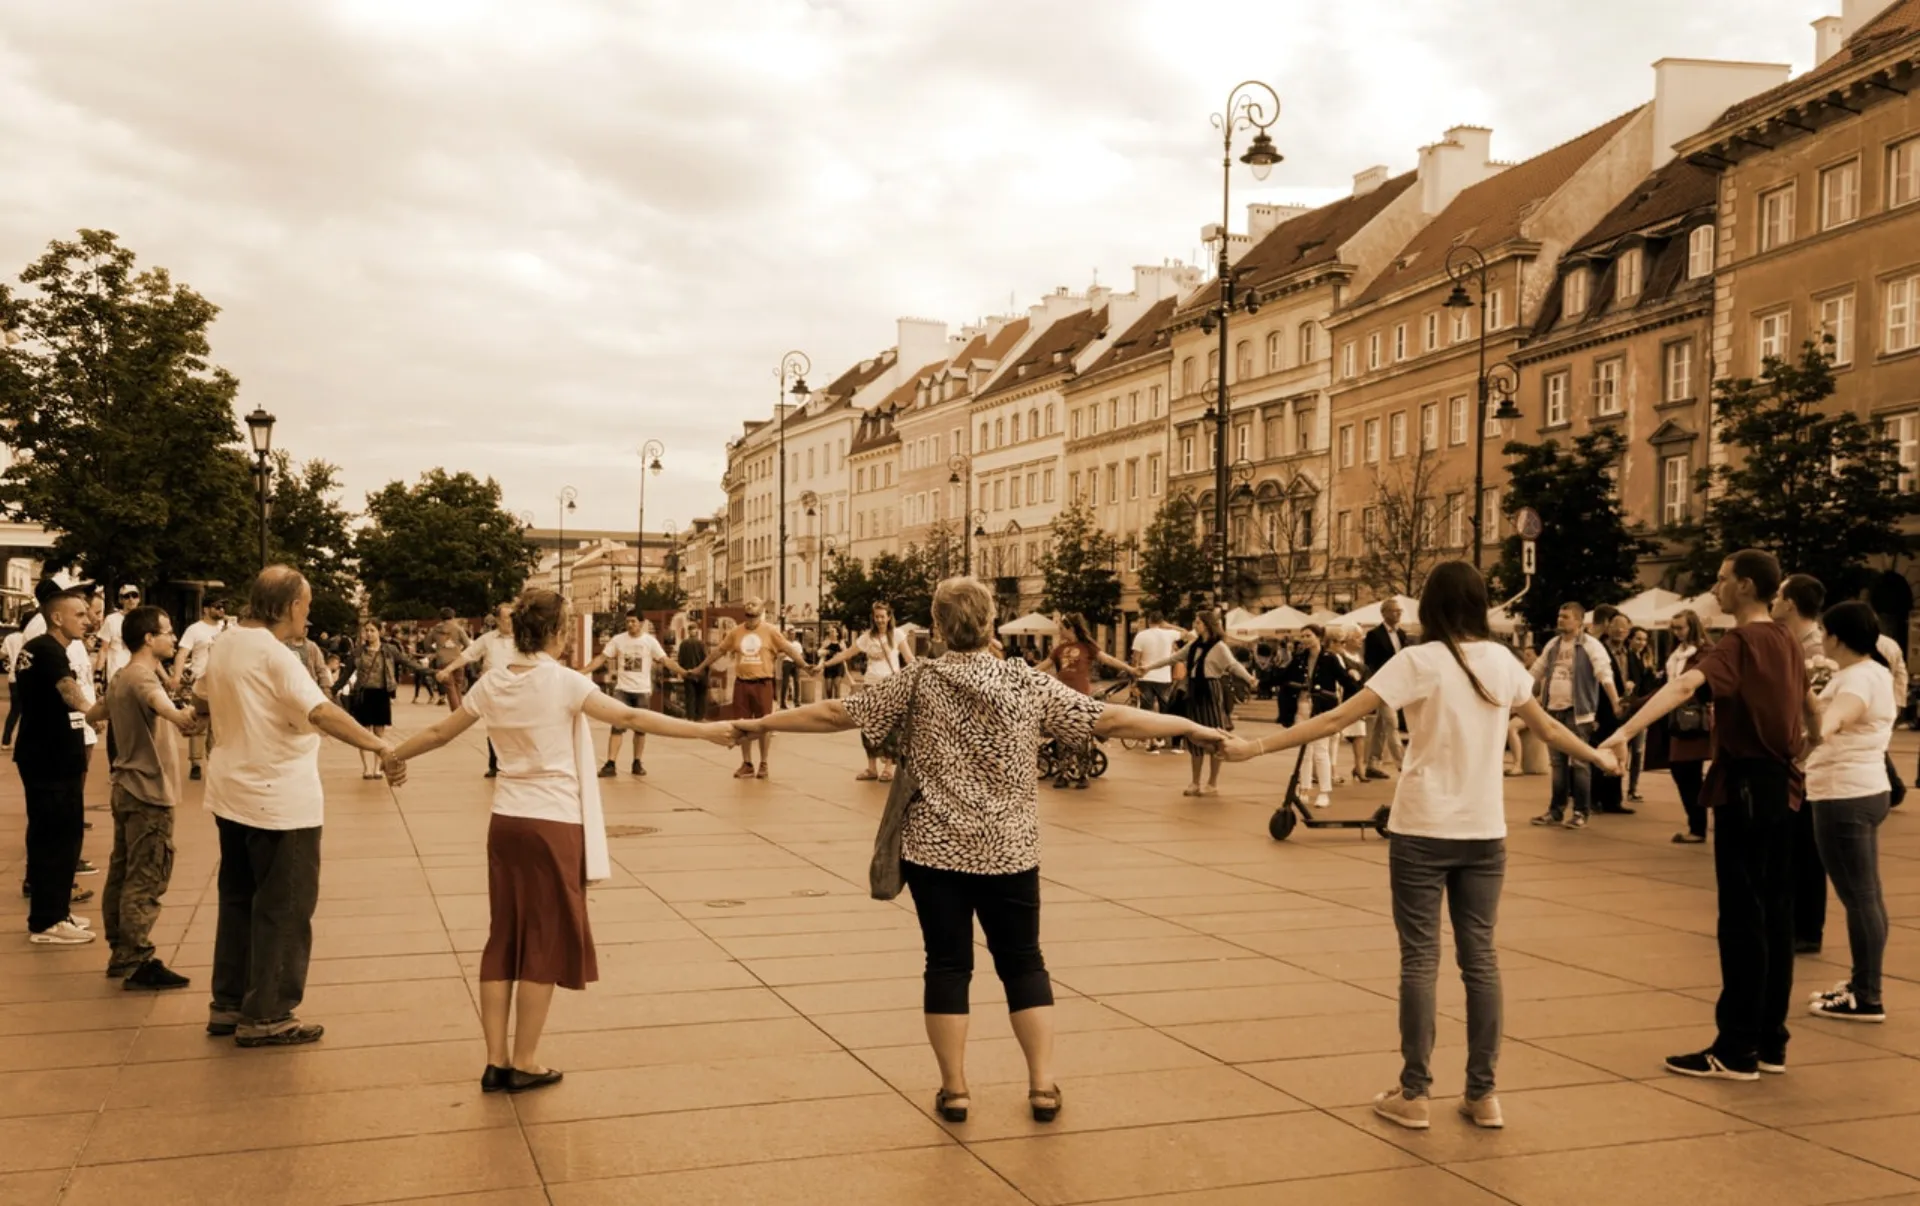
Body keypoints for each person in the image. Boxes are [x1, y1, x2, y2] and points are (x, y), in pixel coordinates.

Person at [732, 576, 1227, 1124]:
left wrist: (757, 722)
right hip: (1009, 849)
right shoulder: (1024, 683)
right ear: (990, 624)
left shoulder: (918, 680)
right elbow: (1107, 719)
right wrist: (1193, 728)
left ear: (939, 628)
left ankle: (956, 1089)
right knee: (1024, 963)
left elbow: (834, 714)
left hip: (934, 850)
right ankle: (1041, 1085)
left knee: (947, 965)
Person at [1224, 561, 1617, 1130]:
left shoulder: (1418, 661)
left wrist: (1255, 748)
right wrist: (1600, 756)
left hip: (1423, 829)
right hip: (1484, 832)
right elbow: (1552, 731)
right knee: (1480, 961)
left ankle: (1415, 1094)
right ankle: (1483, 1095)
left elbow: (1337, 717)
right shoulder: (1503, 661)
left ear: (1429, 605)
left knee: (1420, 959)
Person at [386, 588, 735, 1093]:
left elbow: (441, 732)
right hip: (552, 822)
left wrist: (396, 756)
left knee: (503, 935)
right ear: (556, 632)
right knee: (543, 939)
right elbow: (632, 717)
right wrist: (705, 733)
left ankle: (494, 1059)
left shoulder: (492, 684)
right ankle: (524, 1059)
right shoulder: (565, 683)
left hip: (505, 822)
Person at [1604, 550, 1807, 1080]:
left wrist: (1624, 732)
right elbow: (1810, 710)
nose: (1714, 589)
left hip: (1745, 786)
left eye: (1720, 580)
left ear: (1743, 586)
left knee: (1742, 919)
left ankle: (1736, 1048)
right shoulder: (1788, 639)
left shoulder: (1740, 642)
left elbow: (1684, 686)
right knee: (1775, 918)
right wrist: (1801, 750)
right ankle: (1770, 1043)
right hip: (1783, 787)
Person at [196, 567, 399, 1047]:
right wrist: (381, 747)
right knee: (285, 907)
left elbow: (202, 699)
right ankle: (268, 1013)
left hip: (231, 790)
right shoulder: (275, 655)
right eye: (306, 606)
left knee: (239, 900)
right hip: (279, 798)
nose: (308, 616)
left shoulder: (226, 643)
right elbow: (322, 712)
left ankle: (228, 1003)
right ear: (290, 607)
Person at [84, 605, 196, 986]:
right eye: (167, 631)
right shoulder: (143, 678)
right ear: (149, 638)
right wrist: (184, 715)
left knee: (122, 869)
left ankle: (121, 949)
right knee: (146, 875)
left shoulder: (120, 677)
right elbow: (162, 706)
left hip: (126, 788)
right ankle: (135, 958)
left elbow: (94, 713)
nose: (173, 637)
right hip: (149, 792)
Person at [1800, 601, 1894, 1024]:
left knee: (1859, 898)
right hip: (1864, 790)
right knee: (1867, 896)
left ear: (1836, 637)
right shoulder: (1871, 672)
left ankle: (1867, 995)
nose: (1820, 637)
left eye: (1823, 631)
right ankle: (1863, 983)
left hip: (1844, 797)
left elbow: (1831, 722)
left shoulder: (1857, 679)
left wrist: (1813, 710)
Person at [16, 591, 97, 945]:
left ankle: (57, 911)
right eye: (79, 614)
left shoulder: (39, 648)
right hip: (50, 759)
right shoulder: (48, 650)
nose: (88, 619)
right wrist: (101, 711)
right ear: (57, 619)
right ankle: (48, 921)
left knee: (51, 834)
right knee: (58, 839)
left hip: (46, 755)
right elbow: (69, 693)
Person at [684, 599, 811, 779]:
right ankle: (747, 763)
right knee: (742, 724)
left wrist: (805, 666)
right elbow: (718, 651)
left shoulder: (771, 631)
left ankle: (764, 763)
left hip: (763, 683)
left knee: (765, 725)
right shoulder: (736, 632)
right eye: (747, 604)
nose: (749, 606)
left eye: (753, 604)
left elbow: (789, 650)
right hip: (742, 683)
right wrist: (700, 668)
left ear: (761, 610)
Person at [1775, 573, 1833, 954]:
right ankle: (1798, 923)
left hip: (1811, 761)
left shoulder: (1816, 651)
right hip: (1798, 758)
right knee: (1795, 847)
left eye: (1779, 594)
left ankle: (1808, 929)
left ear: (1792, 603)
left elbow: (1817, 712)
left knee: (1807, 849)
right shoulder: (1794, 643)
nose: (1774, 600)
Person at [1138, 609, 1255, 797]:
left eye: (1198, 622)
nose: (1195, 624)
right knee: (1194, 737)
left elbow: (1233, 665)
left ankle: (1212, 783)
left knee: (1215, 736)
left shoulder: (1219, 646)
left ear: (1207, 625)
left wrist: (1249, 678)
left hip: (1210, 690)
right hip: (1193, 690)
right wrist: (1148, 668)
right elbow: (1172, 659)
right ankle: (1194, 782)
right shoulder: (1193, 646)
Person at [1528, 601, 1622, 830]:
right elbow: (1535, 672)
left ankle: (1581, 811)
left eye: (1566, 617)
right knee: (1558, 764)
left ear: (1580, 621)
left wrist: (1615, 702)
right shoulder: (1553, 644)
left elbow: (1604, 674)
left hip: (1579, 713)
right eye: (1560, 616)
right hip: (1554, 710)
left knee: (1580, 763)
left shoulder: (1591, 645)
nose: (1560, 620)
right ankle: (1556, 811)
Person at [1034, 614, 1134, 790]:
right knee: (1061, 737)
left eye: (1062, 628)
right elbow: (1043, 666)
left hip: (1081, 697)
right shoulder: (1058, 650)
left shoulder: (1087, 647)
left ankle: (1082, 774)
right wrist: (1019, 673)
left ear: (1070, 628)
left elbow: (1108, 659)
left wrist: (1129, 668)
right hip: (1060, 697)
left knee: (1081, 737)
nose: (1059, 630)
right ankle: (1063, 773)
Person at [821, 602, 917, 783]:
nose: (880, 620)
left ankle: (888, 767)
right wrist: (826, 664)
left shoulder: (897, 635)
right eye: (877, 616)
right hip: (870, 686)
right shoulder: (867, 637)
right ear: (873, 617)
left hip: (891, 686)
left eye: (883, 616)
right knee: (867, 726)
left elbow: (909, 658)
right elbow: (847, 654)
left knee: (890, 727)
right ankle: (871, 767)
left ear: (889, 617)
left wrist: (916, 676)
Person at [1276, 625, 1364, 809]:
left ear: (1318, 637)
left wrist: (1356, 695)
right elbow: (1283, 677)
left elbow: (1345, 680)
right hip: (1301, 708)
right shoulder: (1299, 659)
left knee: (1321, 751)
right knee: (1305, 751)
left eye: (1308, 636)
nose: (1305, 639)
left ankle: (1324, 792)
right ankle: (1305, 789)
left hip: (1321, 709)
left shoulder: (1329, 659)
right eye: (1302, 636)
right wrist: (1258, 681)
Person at [584, 613, 674, 778]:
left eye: (633, 621)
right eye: (627, 621)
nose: (630, 624)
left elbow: (664, 660)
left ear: (641, 623)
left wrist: (684, 672)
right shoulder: (618, 639)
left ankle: (637, 762)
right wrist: (583, 671)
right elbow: (602, 658)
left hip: (642, 690)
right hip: (623, 690)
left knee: (640, 729)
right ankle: (611, 763)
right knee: (617, 727)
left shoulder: (649, 641)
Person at [439, 604, 519, 777]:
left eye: (513, 617)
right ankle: (494, 764)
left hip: (518, 690)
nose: (510, 622)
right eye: (506, 618)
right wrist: (447, 669)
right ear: (497, 620)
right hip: (494, 691)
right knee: (494, 727)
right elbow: (468, 655)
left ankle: (514, 762)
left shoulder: (523, 640)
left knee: (515, 728)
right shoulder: (488, 639)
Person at [1664, 609, 1714, 845]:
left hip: (1693, 719)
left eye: (1680, 627)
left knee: (1686, 772)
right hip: (1679, 719)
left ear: (1692, 626)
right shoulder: (1678, 654)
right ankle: (1698, 824)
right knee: (1684, 772)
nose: (1676, 632)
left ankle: (1698, 827)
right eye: (1673, 628)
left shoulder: (1704, 652)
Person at [175, 597, 228, 782]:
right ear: (206, 609)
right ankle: (196, 763)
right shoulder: (195, 629)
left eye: (223, 607)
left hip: (222, 682)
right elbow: (182, 652)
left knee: (218, 725)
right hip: (200, 681)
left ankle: (214, 761)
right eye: (217, 607)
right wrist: (176, 676)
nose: (221, 610)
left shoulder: (227, 628)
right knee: (199, 722)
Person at [344, 620, 400, 780]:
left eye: (372, 630)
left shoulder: (389, 650)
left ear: (379, 632)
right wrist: (331, 690)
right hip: (363, 693)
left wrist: (431, 672)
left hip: (381, 694)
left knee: (378, 734)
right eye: (366, 630)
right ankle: (366, 768)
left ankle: (377, 768)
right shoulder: (358, 652)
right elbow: (346, 674)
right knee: (363, 733)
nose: (368, 633)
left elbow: (407, 662)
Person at [1362, 599, 1410, 779]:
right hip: (1383, 684)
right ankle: (1402, 764)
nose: (1398, 614)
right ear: (1384, 613)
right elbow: (1369, 661)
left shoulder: (1403, 635)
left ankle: (1372, 764)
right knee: (1392, 724)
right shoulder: (1374, 635)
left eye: (1400, 611)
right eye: (1395, 611)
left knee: (1381, 726)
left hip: (1399, 684)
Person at [1130, 612, 1185, 753]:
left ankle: (1152, 742)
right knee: (1163, 710)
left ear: (1149, 620)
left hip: (1145, 677)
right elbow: (1187, 633)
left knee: (1147, 710)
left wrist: (1134, 679)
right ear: (1161, 621)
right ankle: (1161, 737)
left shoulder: (1141, 635)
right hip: (1164, 678)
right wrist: (1169, 626)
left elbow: (1135, 659)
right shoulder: (1170, 634)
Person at [1621, 626, 1658, 802]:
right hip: (1629, 709)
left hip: (1642, 710)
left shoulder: (1645, 659)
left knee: (1637, 751)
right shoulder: (1626, 658)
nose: (1642, 643)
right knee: (1624, 750)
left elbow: (1648, 686)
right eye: (1638, 639)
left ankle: (1632, 789)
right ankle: (1617, 788)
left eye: (1644, 639)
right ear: (1630, 639)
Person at [427, 608, 473, 710]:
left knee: (450, 687)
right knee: (458, 686)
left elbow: (426, 643)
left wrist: (436, 651)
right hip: (457, 660)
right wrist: (460, 652)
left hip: (442, 661)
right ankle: (460, 712)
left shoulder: (435, 629)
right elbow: (468, 645)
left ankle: (456, 714)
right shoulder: (458, 628)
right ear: (453, 616)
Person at [677, 618, 709, 720]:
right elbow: (706, 659)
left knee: (690, 697)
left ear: (688, 632)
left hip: (688, 674)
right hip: (701, 674)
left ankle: (690, 717)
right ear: (696, 631)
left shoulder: (683, 644)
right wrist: (706, 673)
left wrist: (682, 671)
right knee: (701, 697)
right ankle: (699, 717)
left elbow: (680, 660)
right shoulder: (701, 644)